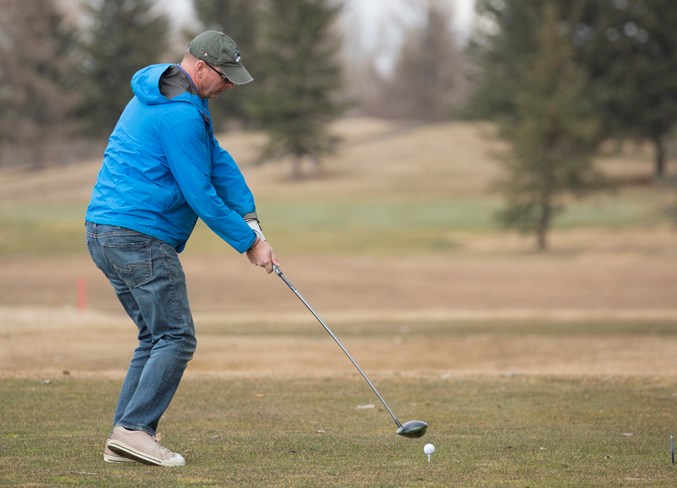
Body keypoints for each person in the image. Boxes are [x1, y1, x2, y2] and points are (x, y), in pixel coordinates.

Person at [85, 31, 278, 467]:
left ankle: (127, 435)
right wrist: (249, 244)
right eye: (225, 77)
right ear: (201, 67)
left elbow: (217, 160)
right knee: (176, 337)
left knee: (155, 336)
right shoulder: (180, 115)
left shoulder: (177, 97)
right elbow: (200, 193)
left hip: (105, 231)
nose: (230, 86)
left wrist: (250, 216)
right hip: (138, 235)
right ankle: (135, 430)